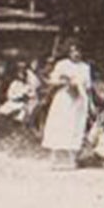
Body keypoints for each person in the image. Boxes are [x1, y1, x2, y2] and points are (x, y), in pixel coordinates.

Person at [40, 39, 93, 167]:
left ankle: (72, 159)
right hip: (64, 99)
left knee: (75, 126)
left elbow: (88, 87)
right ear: (68, 52)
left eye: (78, 51)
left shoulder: (85, 67)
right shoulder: (62, 65)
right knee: (59, 125)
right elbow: (52, 81)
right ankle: (54, 157)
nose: (76, 54)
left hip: (79, 101)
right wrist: (65, 82)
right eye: (73, 51)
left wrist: (91, 104)